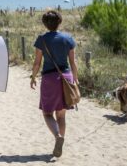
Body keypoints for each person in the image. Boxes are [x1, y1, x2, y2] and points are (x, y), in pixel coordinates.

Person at [30, 10, 78, 158]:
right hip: (66, 77)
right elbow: (73, 62)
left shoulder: (42, 39)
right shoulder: (68, 39)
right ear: (60, 22)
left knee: (47, 112)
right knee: (61, 115)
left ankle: (58, 137)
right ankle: (60, 141)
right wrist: (75, 80)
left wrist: (33, 76)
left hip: (50, 78)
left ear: (45, 23)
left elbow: (37, 63)